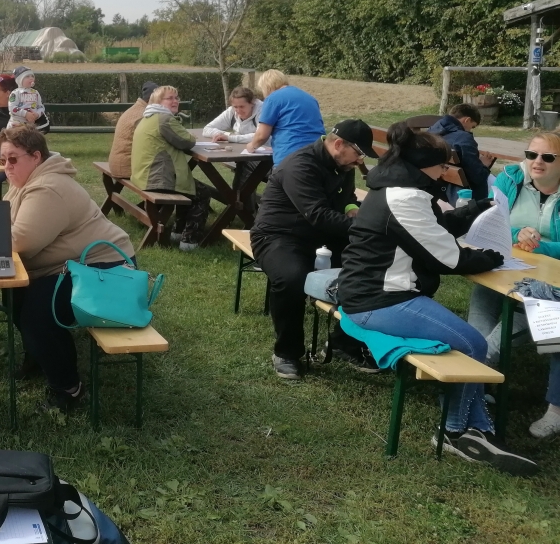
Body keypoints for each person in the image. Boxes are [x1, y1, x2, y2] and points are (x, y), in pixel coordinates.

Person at [334, 122, 537, 475]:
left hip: (370, 293)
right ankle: (454, 431)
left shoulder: (394, 189)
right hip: (377, 300)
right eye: (442, 166)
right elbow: (448, 259)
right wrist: (492, 257)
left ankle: (478, 428)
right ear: (423, 166)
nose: (445, 172)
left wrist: (472, 211)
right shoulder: (405, 198)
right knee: (473, 344)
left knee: (471, 344)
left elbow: (431, 229)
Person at [0, 124, 136, 412]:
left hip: (107, 270)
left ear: (36, 157)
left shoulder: (48, 187)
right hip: (74, 263)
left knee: (38, 312)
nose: (7, 166)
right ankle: (39, 356)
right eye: (3, 160)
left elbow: (21, 242)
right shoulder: (27, 181)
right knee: (15, 294)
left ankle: (68, 389)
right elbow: (3, 223)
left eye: (12, 159)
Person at [250, 120, 376, 379]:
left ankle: (344, 342)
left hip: (323, 236)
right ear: (338, 144)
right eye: (359, 153)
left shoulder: (343, 163)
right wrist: (368, 229)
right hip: (279, 235)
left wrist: (353, 210)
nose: (360, 160)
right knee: (291, 278)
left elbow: (347, 198)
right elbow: (318, 214)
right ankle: (287, 353)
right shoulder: (300, 165)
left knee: (371, 265)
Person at [466, 131, 560, 438]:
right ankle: (478, 378)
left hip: (551, 284)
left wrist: (543, 247)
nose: (537, 162)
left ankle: (555, 409)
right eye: (531, 155)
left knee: (552, 328)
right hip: (509, 266)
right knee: (486, 294)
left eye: (548, 157)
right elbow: (492, 220)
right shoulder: (512, 179)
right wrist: (517, 233)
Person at [131, 85, 210, 251]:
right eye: (170, 98)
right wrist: (190, 135)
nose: (175, 101)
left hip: (144, 175)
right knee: (201, 193)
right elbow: (187, 141)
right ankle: (189, 242)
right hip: (158, 178)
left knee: (189, 186)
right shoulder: (164, 119)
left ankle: (178, 232)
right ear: (158, 102)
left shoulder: (148, 117)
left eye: (177, 97)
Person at [202, 85, 267, 214]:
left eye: (242, 107)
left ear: (252, 103)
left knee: (244, 171)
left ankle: (245, 213)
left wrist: (230, 137)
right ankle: (245, 212)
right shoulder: (232, 112)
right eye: (235, 107)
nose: (238, 111)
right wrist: (224, 135)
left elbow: (261, 136)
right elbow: (207, 129)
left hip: (267, 158)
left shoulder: (263, 110)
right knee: (243, 168)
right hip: (245, 155)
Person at [244, 70, 324, 168]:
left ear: (267, 86)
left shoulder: (273, 98)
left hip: (290, 156)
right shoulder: (310, 98)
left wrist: (252, 146)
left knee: (247, 166)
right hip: (318, 154)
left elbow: (262, 135)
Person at [428, 104, 491, 204]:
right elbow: (478, 177)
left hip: (438, 189)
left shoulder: (431, 132)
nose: (470, 130)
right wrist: (484, 165)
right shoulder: (463, 138)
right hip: (465, 196)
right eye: (472, 126)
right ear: (467, 120)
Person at [107, 81, 156, 177]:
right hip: (126, 167)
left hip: (117, 163)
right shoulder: (145, 114)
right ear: (152, 98)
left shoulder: (135, 109)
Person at [8, 66, 49, 131]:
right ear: (20, 80)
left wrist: (37, 114)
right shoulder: (15, 93)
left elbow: (41, 107)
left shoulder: (35, 92)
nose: (31, 78)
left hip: (31, 125)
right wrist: (26, 114)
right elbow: (12, 107)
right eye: (27, 76)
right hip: (16, 124)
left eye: (32, 76)